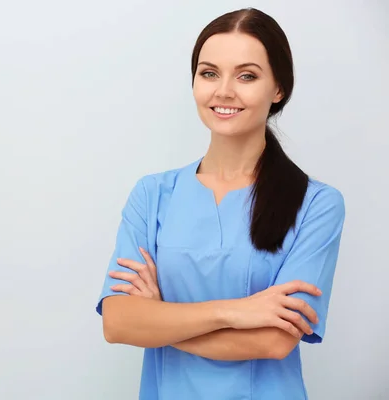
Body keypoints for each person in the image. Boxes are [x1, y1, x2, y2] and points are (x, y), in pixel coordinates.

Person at [95, 7, 346, 400]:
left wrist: (161, 319)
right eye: (209, 73)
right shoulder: (153, 195)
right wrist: (233, 312)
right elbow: (118, 323)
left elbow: (273, 342)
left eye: (246, 75)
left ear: (278, 88)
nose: (223, 90)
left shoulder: (316, 204)